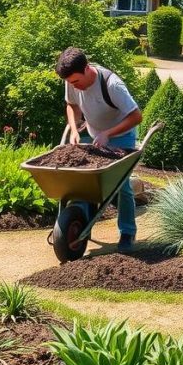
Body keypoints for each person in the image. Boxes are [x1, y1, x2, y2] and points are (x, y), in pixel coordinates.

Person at [55, 47, 143, 251]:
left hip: (121, 137)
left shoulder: (112, 85)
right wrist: (74, 127)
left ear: (87, 69)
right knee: (85, 179)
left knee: (121, 186)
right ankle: (80, 220)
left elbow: (136, 116)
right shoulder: (71, 80)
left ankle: (128, 232)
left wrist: (109, 133)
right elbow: (72, 105)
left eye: (76, 82)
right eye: (70, 83)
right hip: (95, 134)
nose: (74, 86)